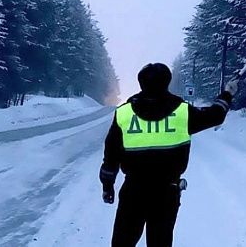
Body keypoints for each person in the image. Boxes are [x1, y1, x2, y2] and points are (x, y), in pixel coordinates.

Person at [99, 62, 238, 247]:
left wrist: (108, 186)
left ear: (140, 83)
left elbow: (111, 154)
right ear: (167, 82)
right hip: (166, 192)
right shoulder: (182, 112)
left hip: (133, 191)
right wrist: (227, 94)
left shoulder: (124, 113)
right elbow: (215, 115)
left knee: (122, 242)